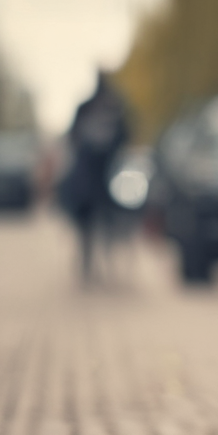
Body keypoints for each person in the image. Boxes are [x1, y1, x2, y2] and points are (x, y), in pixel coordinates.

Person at [59, 72, 131, 280]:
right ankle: (90, 265)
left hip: (106, 177)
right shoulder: (98, 108)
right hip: (91, 178)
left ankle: (99, 264)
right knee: (89, 223)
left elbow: (125, 138)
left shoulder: (114, 109)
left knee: (104, 222)